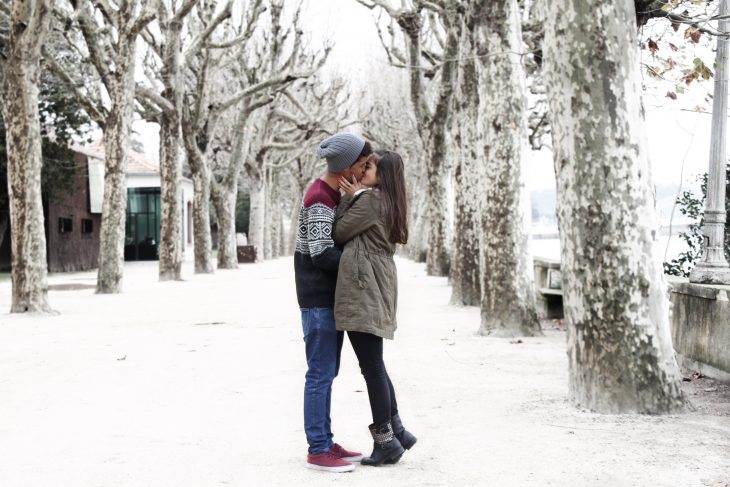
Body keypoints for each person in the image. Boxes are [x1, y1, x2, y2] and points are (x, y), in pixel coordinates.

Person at [294, 132, 372, 473]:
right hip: (317, 299)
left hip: (327, 298)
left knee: (327, 372)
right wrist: (362, 264)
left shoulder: (329, 193)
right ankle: (318, 449)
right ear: (348, 167)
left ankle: (325, 440)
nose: (367, 169)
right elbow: (320, 252)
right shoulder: (320, 199)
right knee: (320, 374)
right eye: (363, 164)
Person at [333, 150, 417, 466]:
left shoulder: (369, 201)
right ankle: (398, 431)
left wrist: (349, 198)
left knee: (371, 367)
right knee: (375, 364)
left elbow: (339, 232)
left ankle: (386, 443)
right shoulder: (388, 200)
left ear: (381, 174)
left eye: (369, 166)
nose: (363, 169)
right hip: (378, 282)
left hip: (364, 286)